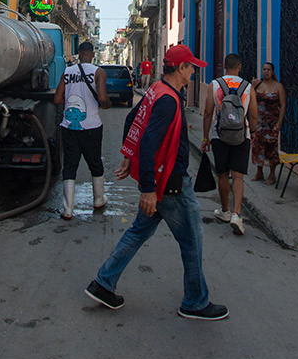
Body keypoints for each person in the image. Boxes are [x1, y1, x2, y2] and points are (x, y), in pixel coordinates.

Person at [84, 44, 228, 321]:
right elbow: (149, 141)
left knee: (138, 232)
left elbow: (132, 120)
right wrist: (148, 189)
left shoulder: (158, 90)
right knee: (192, 240)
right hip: (170, 183)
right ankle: (195, 302)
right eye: (191, 67)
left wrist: (128, 156)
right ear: (181, 68)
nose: (193, 72)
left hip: (163, 180)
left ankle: (103, 283)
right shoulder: (168, 100)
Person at [54, 41, 112, 220]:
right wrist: (107, 104)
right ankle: (98, 199)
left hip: (68, 127)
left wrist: (71, 104)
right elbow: (102, 98)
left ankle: (68, 209)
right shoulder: (98, 72)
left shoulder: (67, 72)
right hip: (92, 127)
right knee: (95, 162)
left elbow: (57, 99)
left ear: (79, 53)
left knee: (70, 165)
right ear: (93, 55)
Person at [202, 53, 257, 236]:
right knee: (238, 176)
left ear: (224, 65)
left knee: (223, 175)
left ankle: (224, 210)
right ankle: (236, 214)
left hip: (220, 135)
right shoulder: (248, 86)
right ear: (239, 66)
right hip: (242, 135)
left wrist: (205, 137)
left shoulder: (215, 85)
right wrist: (253, 132)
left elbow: (208, 112)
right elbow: (254, 114)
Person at [249, 62, 287, 185]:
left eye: (268, 69)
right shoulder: (258, 85)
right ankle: (259, 172)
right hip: (259, 123)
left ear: (273, 72)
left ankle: (272, 174)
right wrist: (252, 87)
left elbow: (283, 105)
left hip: (272, 123)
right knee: (257, 147)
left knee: (271, 148)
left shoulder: (278, 86)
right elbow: (249, 99)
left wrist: (279, 123)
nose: (266, 71)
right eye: (264, 69)